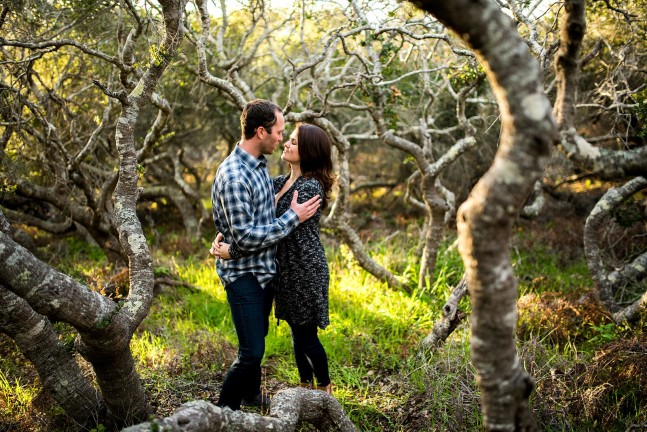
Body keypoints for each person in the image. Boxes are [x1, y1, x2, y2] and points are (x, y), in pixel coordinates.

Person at [211, 100, 322, 411]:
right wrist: (292, 217)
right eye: (278, 132)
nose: (281, 138)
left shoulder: (258, 165)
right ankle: (223, 413)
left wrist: (226, 243)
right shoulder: (235, 175)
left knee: (256, 339)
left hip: (261, 272)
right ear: (260, 131)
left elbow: (248, 220)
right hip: (243, 275)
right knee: (250, 352)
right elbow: (246, 235)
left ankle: (250, 395)